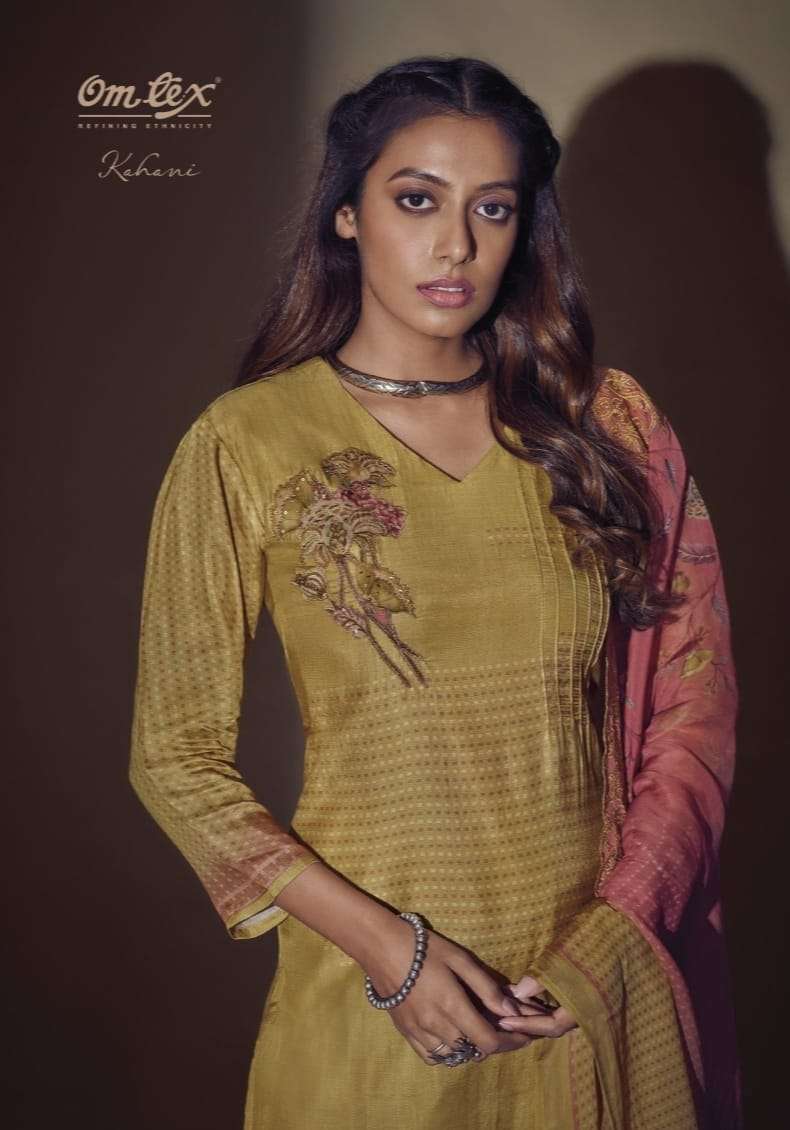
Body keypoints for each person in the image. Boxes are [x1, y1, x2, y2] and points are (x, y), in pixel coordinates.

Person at [128, 55, 740, 1130]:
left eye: (490, 208)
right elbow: (173, 757)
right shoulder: (247, 442)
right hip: (377, 1010)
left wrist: (607, 944)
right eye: (417, 199)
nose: (456, 245)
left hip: (590, 993)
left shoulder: (607, 427)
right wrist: (390, 952)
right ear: (348, 213)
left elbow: (694, 712)